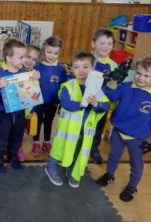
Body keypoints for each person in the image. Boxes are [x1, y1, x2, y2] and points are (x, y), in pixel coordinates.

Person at [96, 56, 151, 202]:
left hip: (138, 137)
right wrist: (115, 78)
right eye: (138, 73)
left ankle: (132, 186)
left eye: (146, 75)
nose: (141, 78)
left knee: (136, 163)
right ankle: (109, 175)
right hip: (118, 131)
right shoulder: (125, 86)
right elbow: (109, 95)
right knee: (113, 155)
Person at [45, 50, 109, 188]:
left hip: (85, 131)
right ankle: (51, 167)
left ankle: (72, 170)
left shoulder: (96, 89)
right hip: (67, 130)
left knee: (79, 150)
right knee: (59, 148)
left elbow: (105, 106)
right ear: (71, 69)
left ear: (92, 69)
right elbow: (66, 103)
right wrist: (82, 103)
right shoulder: (68, 86)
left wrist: (97, 104)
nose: (81, 70)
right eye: (76, 66)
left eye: (85, 67)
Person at [0, 39, 34, 174]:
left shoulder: (25, 73)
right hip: (3, 113)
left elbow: (31, 92)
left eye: (25, 56)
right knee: (2, 138)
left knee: (17, 136)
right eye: (20, 57)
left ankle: (13, 158)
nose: (24, 60)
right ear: (8, 58)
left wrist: (35, 77)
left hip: (19, 111)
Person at [31, 36, 67, 157]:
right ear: (43, 51)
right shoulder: (37, 66)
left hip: (53, 102)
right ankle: (36, 142)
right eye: (49, 52)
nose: (52, 55)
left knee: (49, 122)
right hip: (39, 102)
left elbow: (64, 86)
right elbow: (30, 85)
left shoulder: (60, 69)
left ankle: (46, 142)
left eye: (55, 53)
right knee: (38, 122)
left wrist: (62, 103)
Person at [90, 28, 118, 164]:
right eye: (102, 43)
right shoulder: (86, 60)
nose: (105, 46)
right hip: (86, 101)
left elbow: (113, 88)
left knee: (98, 128)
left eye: (109, 43)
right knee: (82, 126)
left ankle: (94, 149)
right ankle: (78, 147)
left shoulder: (113, 66)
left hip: (102, 103)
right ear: (93, 44)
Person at [21, 45, 41, 161]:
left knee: (20, 131)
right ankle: (8, 148)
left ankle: (18, 148)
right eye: (28, 57)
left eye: (34, 59)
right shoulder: (16, 70)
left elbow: (35, 94)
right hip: (14, 108)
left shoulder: (34, 74)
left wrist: (32, 111)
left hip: (26, 109)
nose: (30, 61)